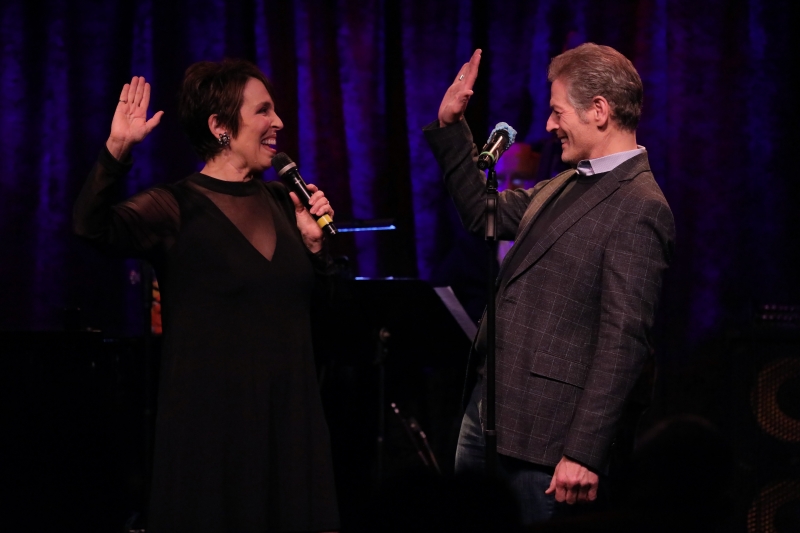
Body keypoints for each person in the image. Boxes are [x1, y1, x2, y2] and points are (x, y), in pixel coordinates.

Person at [73, 60, 339, 532]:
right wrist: (116, 151)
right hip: (213, 433)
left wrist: (316, 249)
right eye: (263, 111)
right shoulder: (176, 207)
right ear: (220, 126)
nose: (278, 123)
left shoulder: (282, 202)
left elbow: (320, 315)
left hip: (289, 426)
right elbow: (91, 229)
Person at [423, 44, 675, 524]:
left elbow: (624, 343)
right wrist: (452, 125)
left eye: (558, 112)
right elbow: (484, 213)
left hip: (549, 441)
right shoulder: (566, 183)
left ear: (598, 110)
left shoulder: (641, 205)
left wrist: (584, 452)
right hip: (490, 413)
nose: (548, 125)